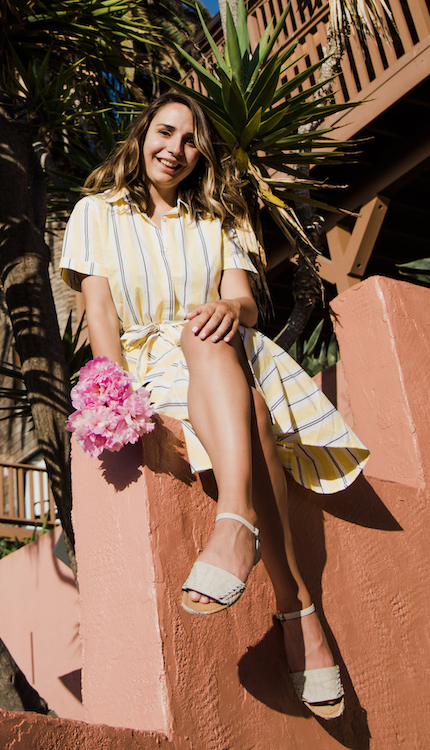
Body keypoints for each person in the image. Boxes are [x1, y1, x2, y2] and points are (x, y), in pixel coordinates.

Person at [59, 91, 368, 720]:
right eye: (165, 132)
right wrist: (109, 394)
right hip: (159, 362)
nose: (174, 149)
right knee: (250, 412)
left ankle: (235, 525)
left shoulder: (218, 219)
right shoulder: (96, 212)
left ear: (203, 156)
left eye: (190, 140)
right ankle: (297, 605)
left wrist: (231, 309)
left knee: (206, 332)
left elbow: (244, 302)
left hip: (224, 344)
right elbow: (100, 315)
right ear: (143, 132)